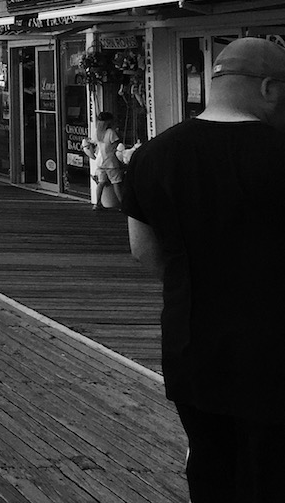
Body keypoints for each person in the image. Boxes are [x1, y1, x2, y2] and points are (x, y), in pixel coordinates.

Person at [121, 36, 285, 502]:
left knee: (211, 465)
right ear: (268, 87)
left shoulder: (153, 155)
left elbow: (142, 250)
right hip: (273, 353)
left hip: (190, 345)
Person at [84, 111, 123, 211]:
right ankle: (122, 205)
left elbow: (93, 143)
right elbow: (116, 146)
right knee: (116, 183)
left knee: (101, 182)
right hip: (110, 162)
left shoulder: (97, 132)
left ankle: (97, 203)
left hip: (100, 161)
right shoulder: (111, 132)